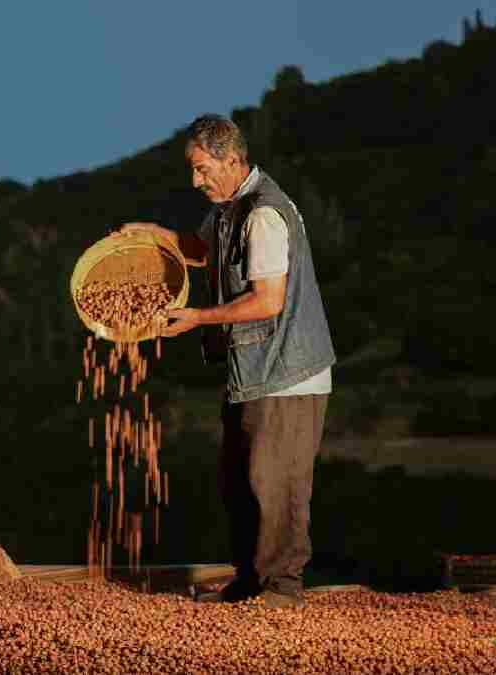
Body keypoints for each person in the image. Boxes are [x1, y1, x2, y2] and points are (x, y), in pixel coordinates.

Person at [120, 114, 336, 608]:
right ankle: (248, 583)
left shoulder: (262, 213)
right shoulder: (227, 208)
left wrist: (198, 317)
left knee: (275, 483)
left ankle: (281, 590)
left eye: (201, 169)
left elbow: (267, 301)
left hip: (287, 372)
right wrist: (156, 236)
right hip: (251, 370)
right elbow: (200, 251)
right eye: (192, 170)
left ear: (232, 159)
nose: (195, 181)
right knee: (239, 481)